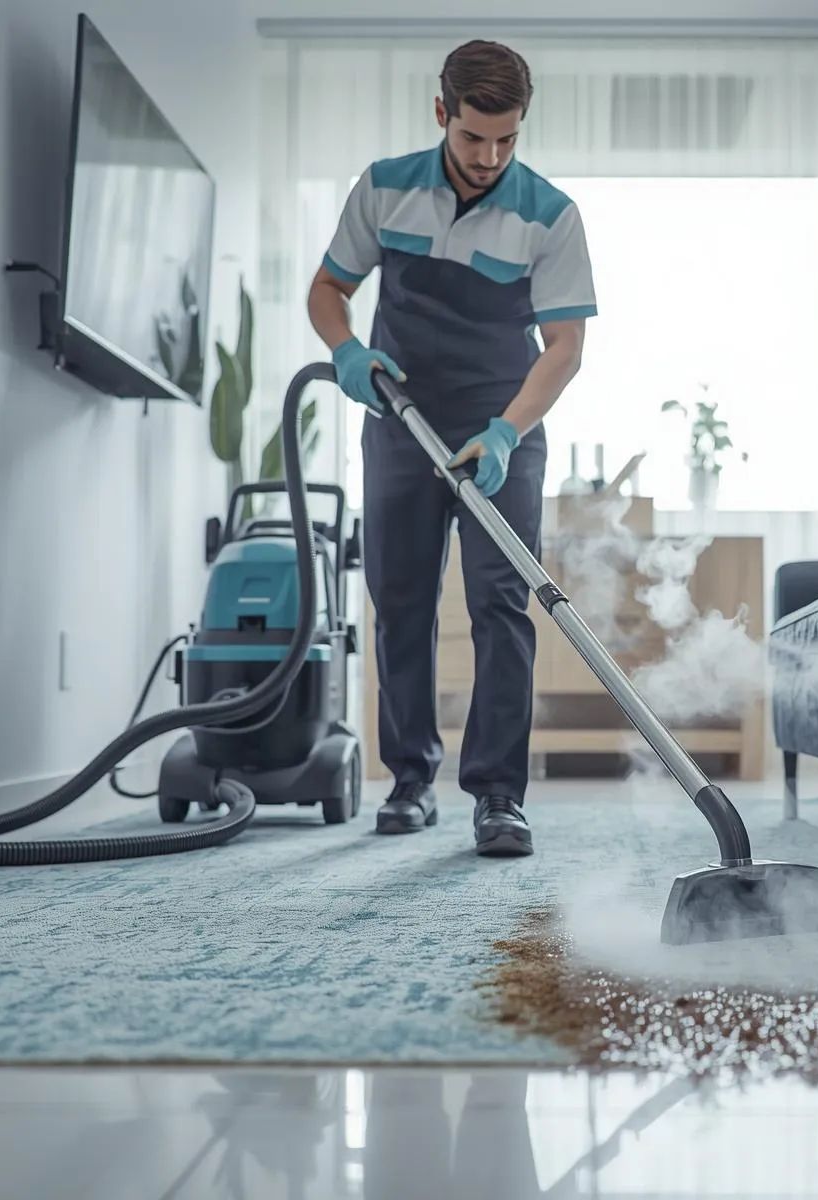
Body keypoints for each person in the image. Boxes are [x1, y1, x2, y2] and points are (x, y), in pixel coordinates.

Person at [307, 39, 596, 857]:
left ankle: (499, 795)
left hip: (500, 424)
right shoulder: (386, 187)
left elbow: (565, 348)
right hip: (399, 420)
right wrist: (346, 351)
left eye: (507, 139)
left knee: (502, 606)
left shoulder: (551, 213)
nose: (490, 157)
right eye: (474, 137)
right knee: (401, 600)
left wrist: (508, 430)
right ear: (443, 114)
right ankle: (408, 779)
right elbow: (329, 288)